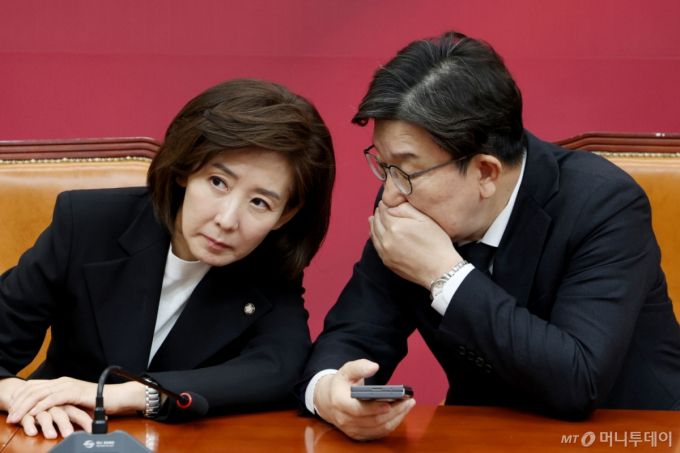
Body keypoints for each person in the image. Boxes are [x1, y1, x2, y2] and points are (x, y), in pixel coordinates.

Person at [300, 30, 680, 440]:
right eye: (385, 166)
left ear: (485, 172)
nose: (390, 194)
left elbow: (578, 380)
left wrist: (444, 275)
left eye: (406, 170)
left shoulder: (604, 205)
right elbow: (354, 333)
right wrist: (329, 391)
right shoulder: (408, 198)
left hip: (626, 435)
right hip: (482, 436)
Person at [0, 78, 335, 439]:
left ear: (285, 215)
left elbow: (280, 369)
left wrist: (127, 395)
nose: (227, 220)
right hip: (56, 434)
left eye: (259, 202)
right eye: (218, 182)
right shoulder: (88, 223)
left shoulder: (268, 265)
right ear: (186, 169)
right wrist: (18, 393)